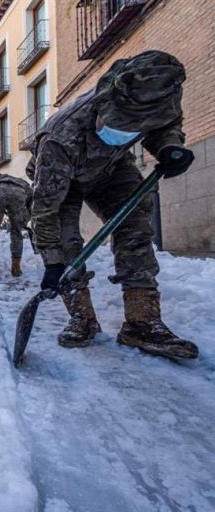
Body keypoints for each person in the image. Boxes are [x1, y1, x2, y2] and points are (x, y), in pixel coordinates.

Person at [27, 50, 198, 359]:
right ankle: (82, 319)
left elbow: (166, 125)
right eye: (120, 125)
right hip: (63, 175)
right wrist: (53, 262)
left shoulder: (162, 94)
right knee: (66, 243)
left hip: (112, 168)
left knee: (135, 226)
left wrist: (170, 147)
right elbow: (44, 209)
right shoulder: (60, 137)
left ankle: (143, 323)